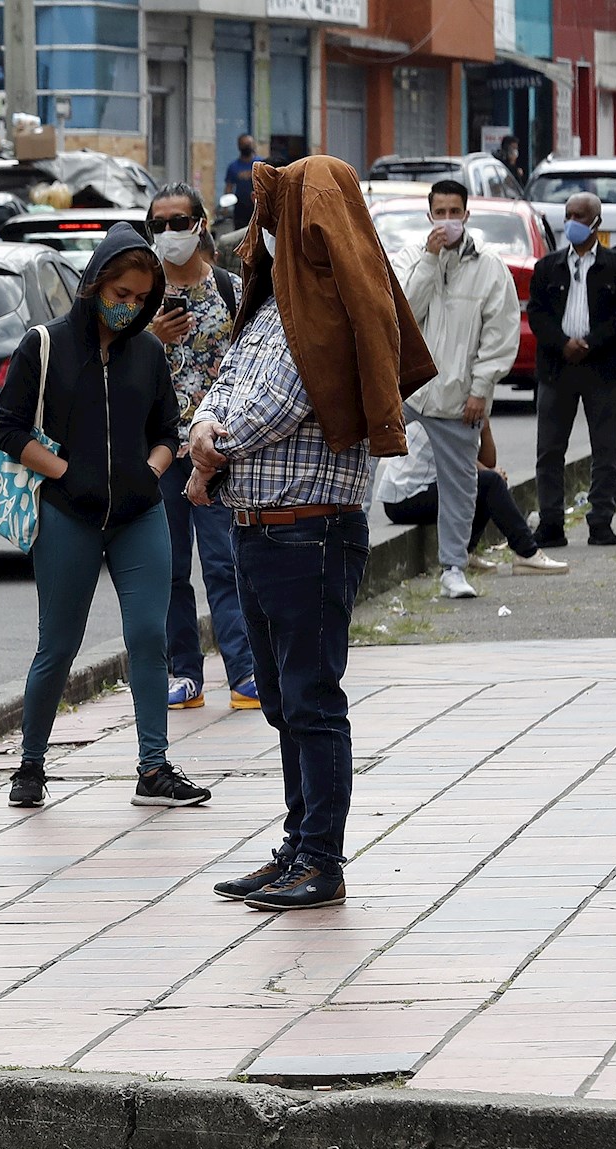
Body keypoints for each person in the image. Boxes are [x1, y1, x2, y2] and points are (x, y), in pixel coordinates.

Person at [191, 154, 434, 912]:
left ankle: (321, 861)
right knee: (282, 702)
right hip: (257, 529)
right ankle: (297, 846)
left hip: (310, 533)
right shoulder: (272, 305)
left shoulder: (332, 307)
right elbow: (226, 386)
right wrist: (204, 425)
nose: (258, 232)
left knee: (312, 699)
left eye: (274, 214)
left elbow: (275, 405)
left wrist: (213, 443)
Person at [0, 224, 212, 812]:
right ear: (94, 286)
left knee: (148, 635)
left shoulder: (147, 353)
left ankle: (154, 766)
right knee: (57, 645)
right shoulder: (45, 345)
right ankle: (31, 766)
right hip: (69, 514)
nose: (130, 308)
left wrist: (151, 468)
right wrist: (66, 473)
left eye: (141, 298)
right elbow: (10, 429)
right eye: (121, 295)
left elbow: (167, 431)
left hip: (140, 514)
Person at [143, 182, 257, 711]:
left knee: (224, 562)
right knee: (167, 568)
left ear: (200, 224)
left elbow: (251, 365)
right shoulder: (138, 298)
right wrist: (152, 338)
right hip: (159, 451)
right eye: (157, 224)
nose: (168, 233)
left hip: (217, 449)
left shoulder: (233, 291)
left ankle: (244, 670)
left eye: (177, 222)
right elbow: (113, 367)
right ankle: (183, 673)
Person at [391, 177, 522, 599]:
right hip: (410, 390)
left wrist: (481, 389)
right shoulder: (412, 257)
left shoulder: (490, 267)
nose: (447, 220)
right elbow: (402, 314)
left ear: (467, 214)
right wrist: (430, 260)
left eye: (454, 212)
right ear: (429, 215)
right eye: (439, 212)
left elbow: (500, 333)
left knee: (461, 485)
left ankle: (453, 568)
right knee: (362, 459)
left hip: (456, 396)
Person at [527, 190, 616, 548]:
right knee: (549, 451)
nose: (572, 222)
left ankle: (600, 520)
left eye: (580, 216)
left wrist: (590, 342)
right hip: (557, 370)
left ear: (596, 223)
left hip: (601, 370)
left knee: (605, 450)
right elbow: (538, 315)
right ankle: (551, 523)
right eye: (568, 214)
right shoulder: (547, 267)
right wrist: (563, 343)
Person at [378, 418, 568, 576]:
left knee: (486, 484)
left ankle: (465, 555)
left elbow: (486, 460)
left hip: (424, 488)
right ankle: (528, 552)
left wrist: (485, 426)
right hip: (404, 496)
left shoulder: (464, 410)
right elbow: (460, 459)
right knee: (489, 484)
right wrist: (491, 473)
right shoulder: (442, 410)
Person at [225, 135, 261, 230]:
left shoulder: (260, 163)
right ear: (239, 146)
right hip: (240, 207)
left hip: (258, 206)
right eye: (244, 144)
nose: (247, 147)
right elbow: (229, 186)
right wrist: (226, 207)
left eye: (249, 144)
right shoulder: (233, 167)